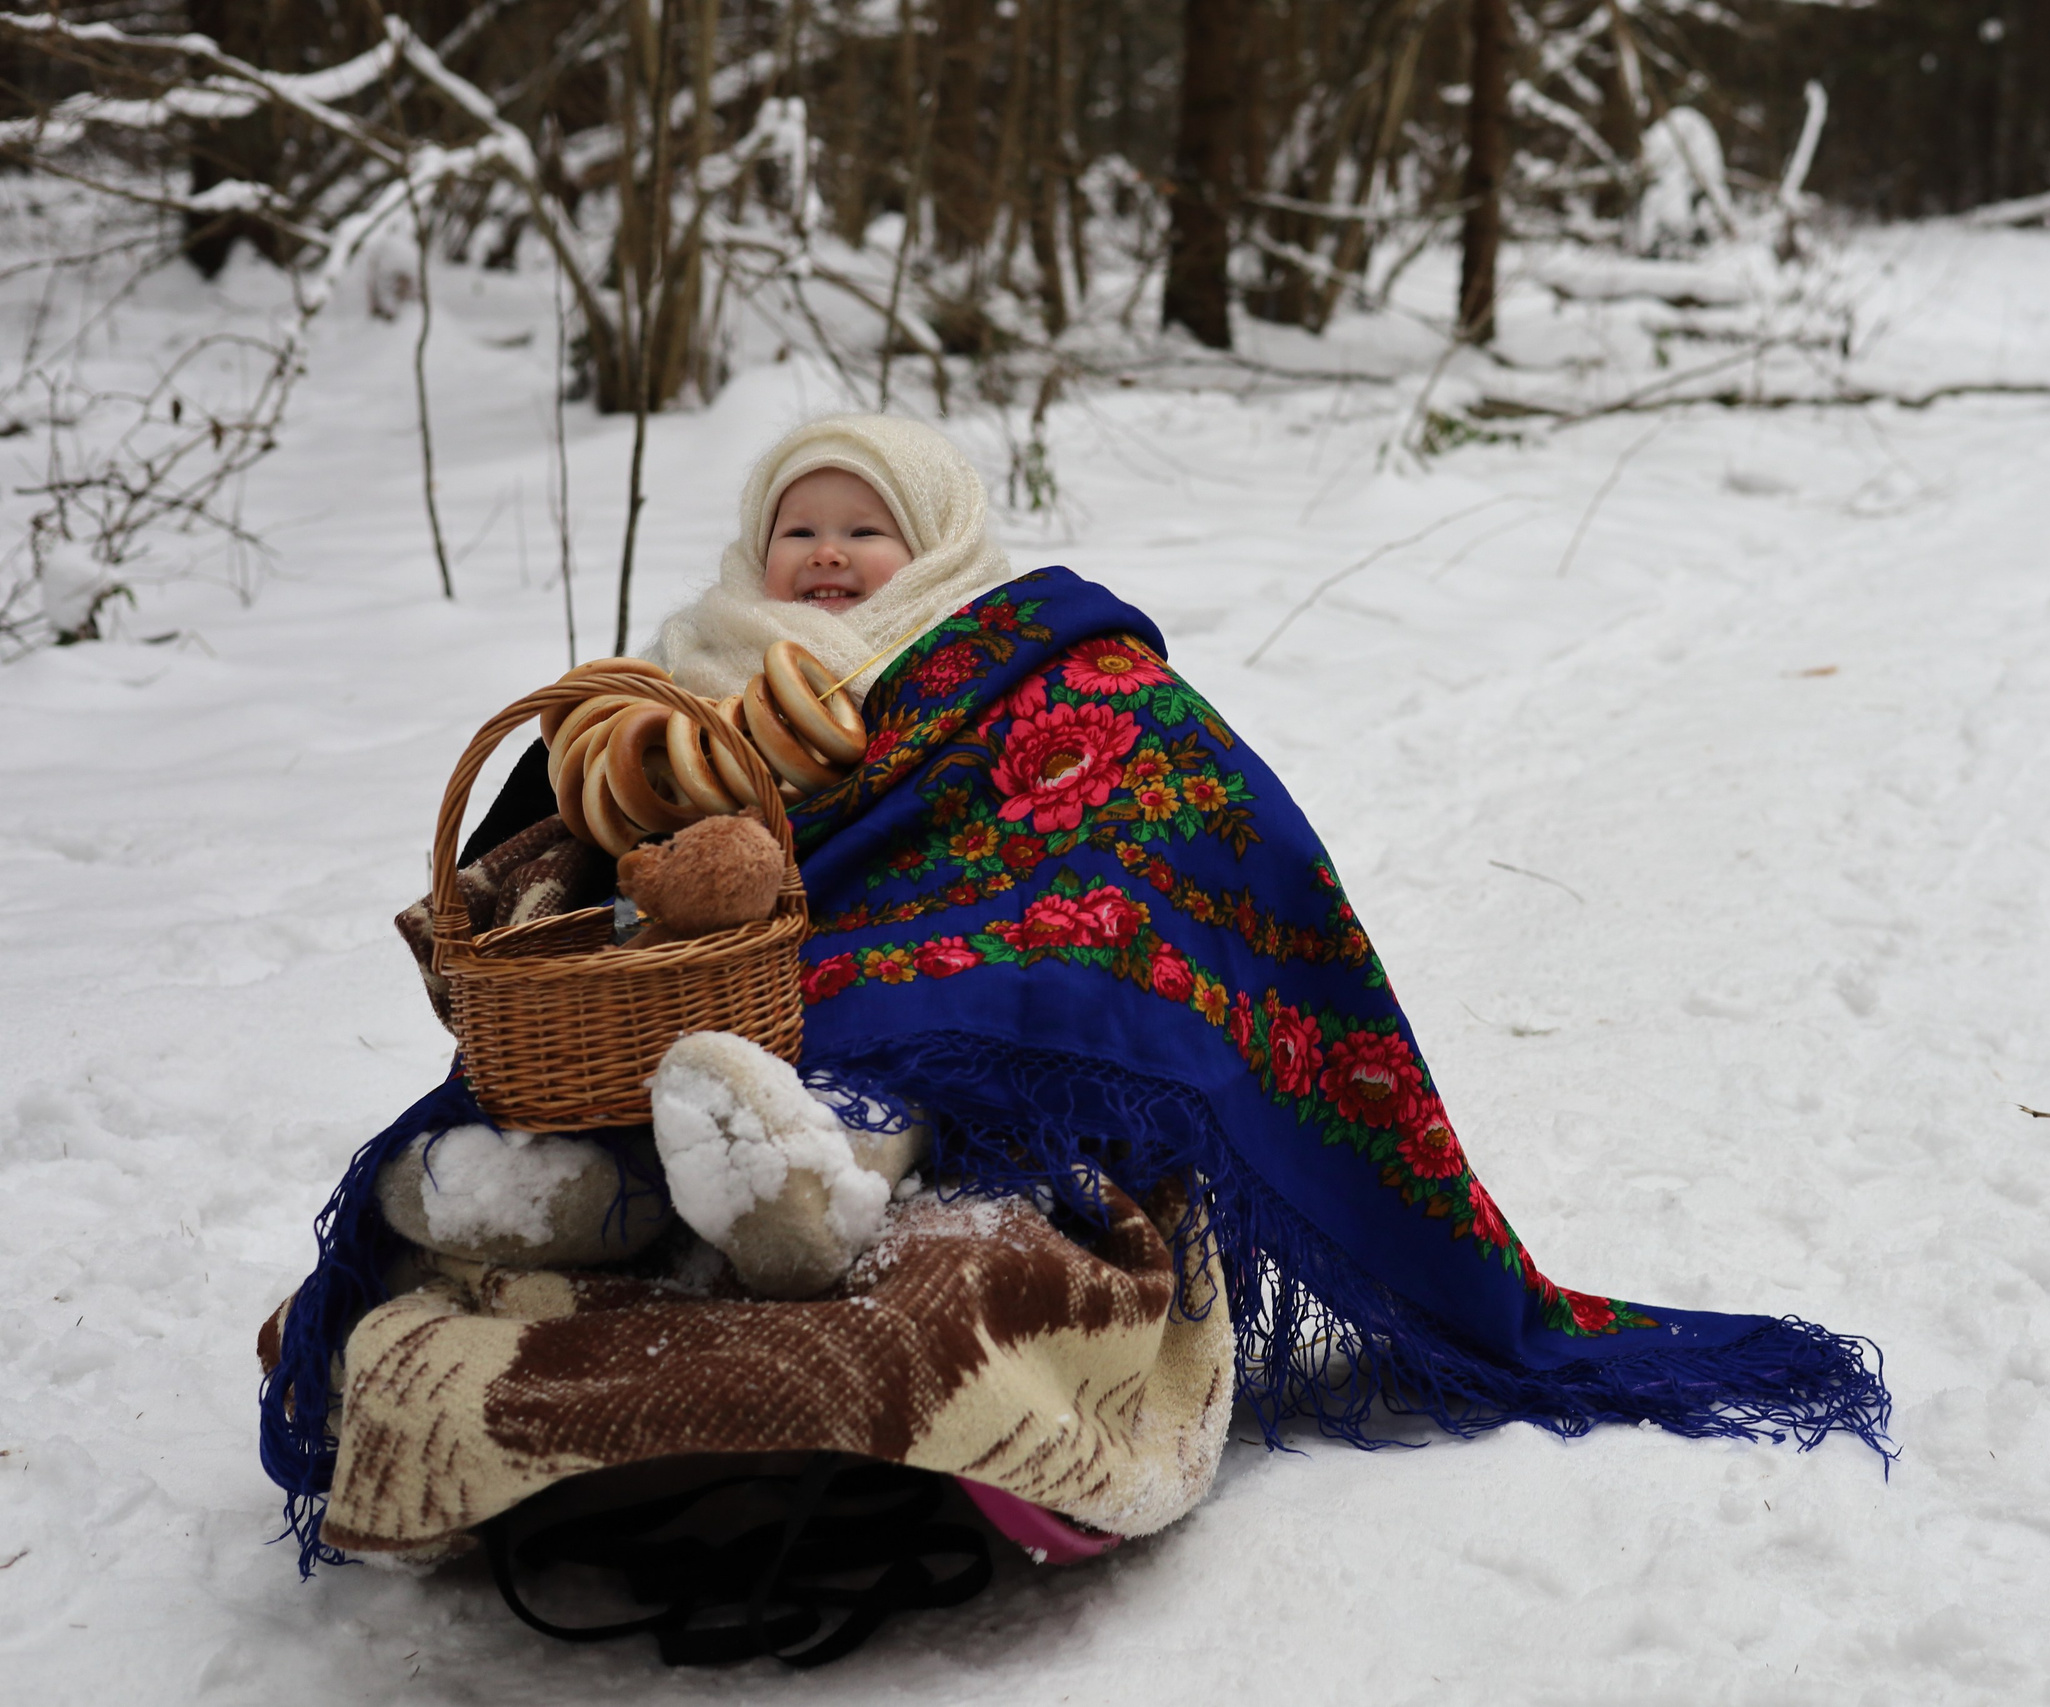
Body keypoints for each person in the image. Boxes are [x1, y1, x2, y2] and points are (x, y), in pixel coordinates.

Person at [264, 413, 1889, 1584]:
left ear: (931, 544)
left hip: (938, 994)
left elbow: (1180, 823)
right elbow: (571, 846)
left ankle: (815, 1175)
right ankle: (558, 1195)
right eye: (797, 531)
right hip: (705, 1001)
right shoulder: (680, 678)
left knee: (894, 1077)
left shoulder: (1023, 657)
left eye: (861, 530)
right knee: (615, 1084)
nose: (825, 557)